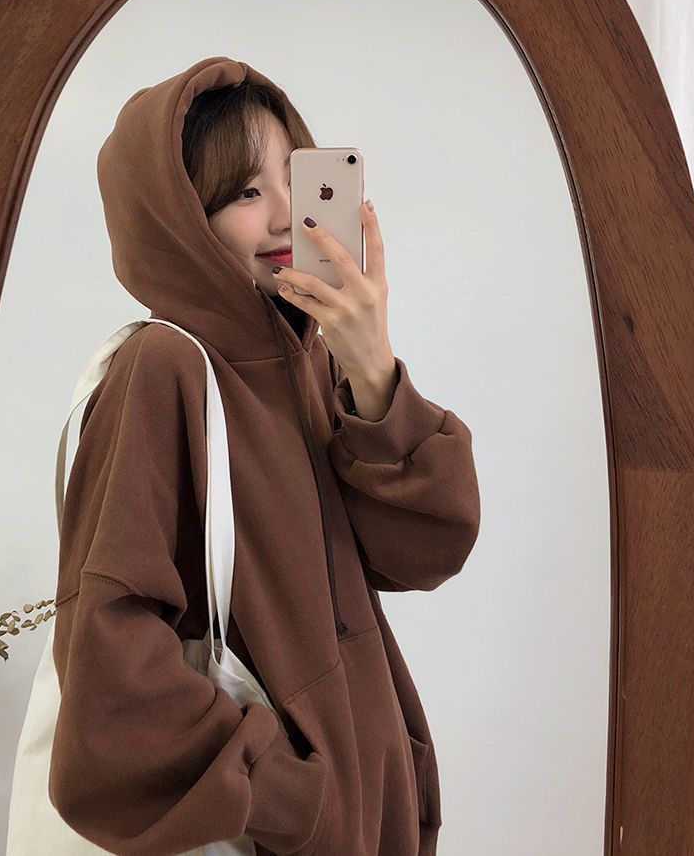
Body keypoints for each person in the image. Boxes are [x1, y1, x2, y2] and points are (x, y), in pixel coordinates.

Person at [47, 56, 481, 856]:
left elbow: (428, 550)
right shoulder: (162, 369)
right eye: (246, 193)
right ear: (179, 220)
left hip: (365, 820)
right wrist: (293, 795)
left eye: (295, 178)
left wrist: (372, 371)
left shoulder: (312, 362)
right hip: (279, 834)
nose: (288, 217)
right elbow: (109, 662)